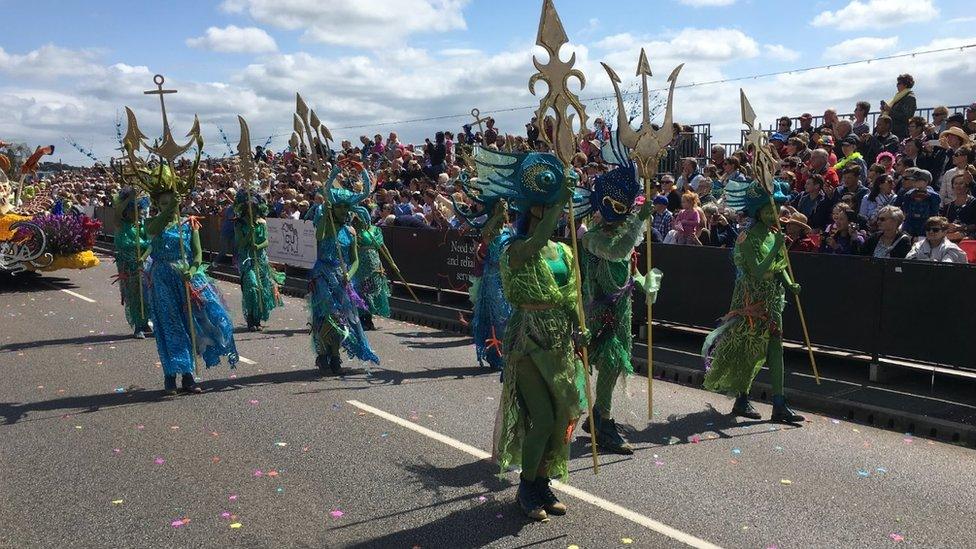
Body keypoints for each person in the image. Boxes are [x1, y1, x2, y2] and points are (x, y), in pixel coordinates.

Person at [470, 147, 584, 522]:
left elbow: (571, 296)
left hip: (559, 342)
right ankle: (526, 486)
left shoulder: (565, 251)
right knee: (543, 418)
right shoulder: (516, 248)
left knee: (564, 415)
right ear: (533, 209)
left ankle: (543, 482)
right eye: (545, 206)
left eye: (552, 207)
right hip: (528, 342)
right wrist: (559, 200)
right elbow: (534, 244)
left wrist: (580, 328)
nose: (550, 213)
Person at [702, 177, 804, 423]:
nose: (774, 215)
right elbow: (758, 270)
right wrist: (776, 247)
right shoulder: (746, 237)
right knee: (749, 351)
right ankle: (742, 398)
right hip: (750, 302)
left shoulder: (773, 235)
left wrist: (790, 283)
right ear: (757, 211)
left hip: (772, 302)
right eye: (769, 210)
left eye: (776, 210)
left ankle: (779, 403)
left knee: (776, 350)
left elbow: (780, 266)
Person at [578, 161, 660, 456]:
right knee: (612, 364)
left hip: (621, 310)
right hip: (602, 313)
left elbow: (625, 264)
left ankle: (598, 416)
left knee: (613, 367)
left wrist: (641, 280)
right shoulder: (592, 237)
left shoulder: (618, 232)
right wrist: (640, 221)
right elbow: (616, 252)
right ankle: (604, 421)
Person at [140, 164, 239, 395]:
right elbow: (151, 232)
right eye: (162, 204)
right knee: (169, 326)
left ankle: (188, 376)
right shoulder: (152, 224)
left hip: (185, 279)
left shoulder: (189, 223)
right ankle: (170, 376)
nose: (166, 207)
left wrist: (193, 270)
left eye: (170, 203)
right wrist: (168, 210)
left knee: (191, 326)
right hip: (162, 278)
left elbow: (197, 255)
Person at [308, 164, 380, 376]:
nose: (344, 211)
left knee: (344, 317)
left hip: (343, 277)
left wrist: (350, 273)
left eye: (347, 208)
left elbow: (355, 259)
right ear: (333, 208)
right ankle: (326, 353)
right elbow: (319, 238)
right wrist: (326, 212)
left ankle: (335, 354)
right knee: (328, 315)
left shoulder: (350, 232)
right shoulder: (324, 225)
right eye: (340, 207)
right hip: (322, 275)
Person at [455, 199, 512, 371]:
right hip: (496, 281)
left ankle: (500, 355)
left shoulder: (497, 234)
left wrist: (480, 251)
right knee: (500, 317)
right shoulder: (508, 233)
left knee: (499, 317)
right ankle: (498, 355)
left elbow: (480, 256)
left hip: (498, 280)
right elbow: (482, 256)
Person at [234, 190, 284, 331]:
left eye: (254, 207)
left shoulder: (262, 223)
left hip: (261, 260)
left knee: (262, 290)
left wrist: (258, 245)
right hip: (247, 260)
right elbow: (240, 244)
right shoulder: (239, 224)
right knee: (252, 287)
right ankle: (250, 318)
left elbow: (267, 241)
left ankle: (257, 320)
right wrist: (249, 232)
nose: (252, 210)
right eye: (249, 207)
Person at [112, 187, 152, 338]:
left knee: (146, 294)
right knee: (133, 295)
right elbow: (117, 212)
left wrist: (144, 257)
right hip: (127, 265)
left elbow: (150, 244)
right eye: (133, 210)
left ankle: (146, 322)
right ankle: (138, 326)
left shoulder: (141, 226)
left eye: (139, 209)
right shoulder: (120, 225)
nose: (138, 212)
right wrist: (130, 198)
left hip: (143, 264)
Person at [350, 206, 392, 331]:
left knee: (373, 290)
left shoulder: (375, 230)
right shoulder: (353, 231)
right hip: (360, 264)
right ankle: (364, 318)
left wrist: (392, 262)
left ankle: (369, 318)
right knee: (361, 291)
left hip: (373, 264)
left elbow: (383, 247)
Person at [896, 168, 941, 238]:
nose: (915, 182)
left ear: (926, 182)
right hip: (910, 222)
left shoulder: (933, 196)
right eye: (914, 180)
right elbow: (906, 209)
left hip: (926, 223)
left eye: (918, 180)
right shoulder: (908, 194)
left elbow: (934, 211)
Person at [880, 74, 917, 139]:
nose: (897, 85)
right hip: (893, 130)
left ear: (905, 85)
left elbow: (907, 117)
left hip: (900, 133)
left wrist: (889, 110)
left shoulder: (910, 97)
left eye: (899, 83)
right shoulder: (898, 97)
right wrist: (884, 110)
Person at [942, 173, 976, 240]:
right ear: (952, 187)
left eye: (961, 183)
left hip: (969, 239)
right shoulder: (948, 206)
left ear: (967, 186)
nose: (958, 186)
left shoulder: (974, 203)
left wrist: (961, 228)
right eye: (955, 183)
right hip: (950, 238)